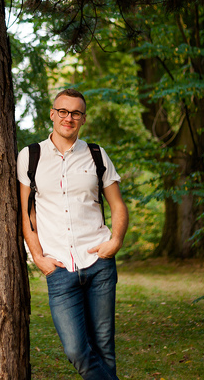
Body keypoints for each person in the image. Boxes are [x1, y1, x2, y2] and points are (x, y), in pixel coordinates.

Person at [17, 88, 129, 380]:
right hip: (60, 270)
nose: (69, 118)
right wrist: (38, 257)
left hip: (98, 263)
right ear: (53, 114)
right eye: (63, 112)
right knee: (77, 351)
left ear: (83, 119)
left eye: (76, 113)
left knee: (104, 346)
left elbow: (117, 206)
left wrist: (114, 242)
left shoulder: (96, 154)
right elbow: (27, 213)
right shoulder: (30, 156)